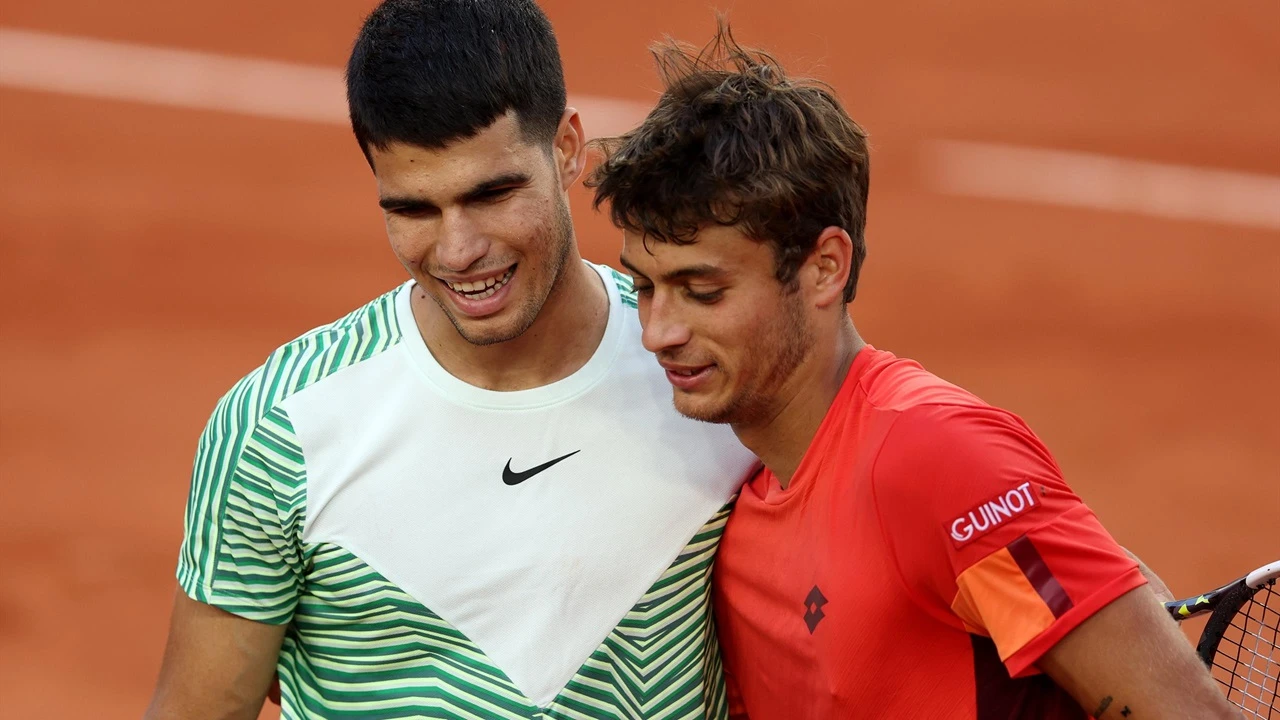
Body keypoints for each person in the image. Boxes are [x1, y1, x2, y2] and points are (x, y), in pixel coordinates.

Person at [587, 21, 1240, 720]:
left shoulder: (942, 464)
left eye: (703, 291)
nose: (658, 332)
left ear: (824, 268)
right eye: (646, 287)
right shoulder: (728, 511)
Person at [143, 2, 757, 718]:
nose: (459, 251)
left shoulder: (705, 376)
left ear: (567, 148)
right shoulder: (279, 432)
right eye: (413, 210)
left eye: (491, 194)